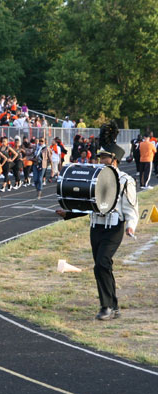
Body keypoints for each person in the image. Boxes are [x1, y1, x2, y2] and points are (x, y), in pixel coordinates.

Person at [56, 122, 138, 321]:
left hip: (114, 228)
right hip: (96, 227)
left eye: (105, 157)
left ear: (115, 159)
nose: (101, 160)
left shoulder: (126, 180)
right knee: (103, 266)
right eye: (100, 157)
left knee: (101, 264)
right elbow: (88, 204)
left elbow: (131, 208)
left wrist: (130, 226)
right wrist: (68, 214)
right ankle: (114, 306)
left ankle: (106, 307)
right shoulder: (96, 176)